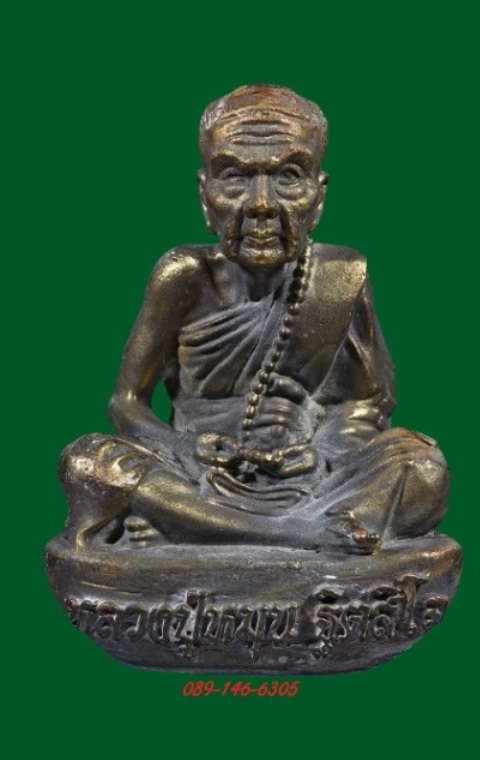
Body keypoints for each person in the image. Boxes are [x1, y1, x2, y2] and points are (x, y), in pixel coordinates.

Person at [60, 84, 448, 554]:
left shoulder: (340, 276)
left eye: (288, 176)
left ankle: (191, 527)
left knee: (423, 467)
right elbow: (125, 403)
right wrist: (182, 448)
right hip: (198, 468)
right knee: (88, 461)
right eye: (234, 177)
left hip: (305, 474)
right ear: (205, 194)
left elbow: (366, 402)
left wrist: (322, 452)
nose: (261, 203)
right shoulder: (183, 275)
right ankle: (293, 535)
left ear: (319, 196)